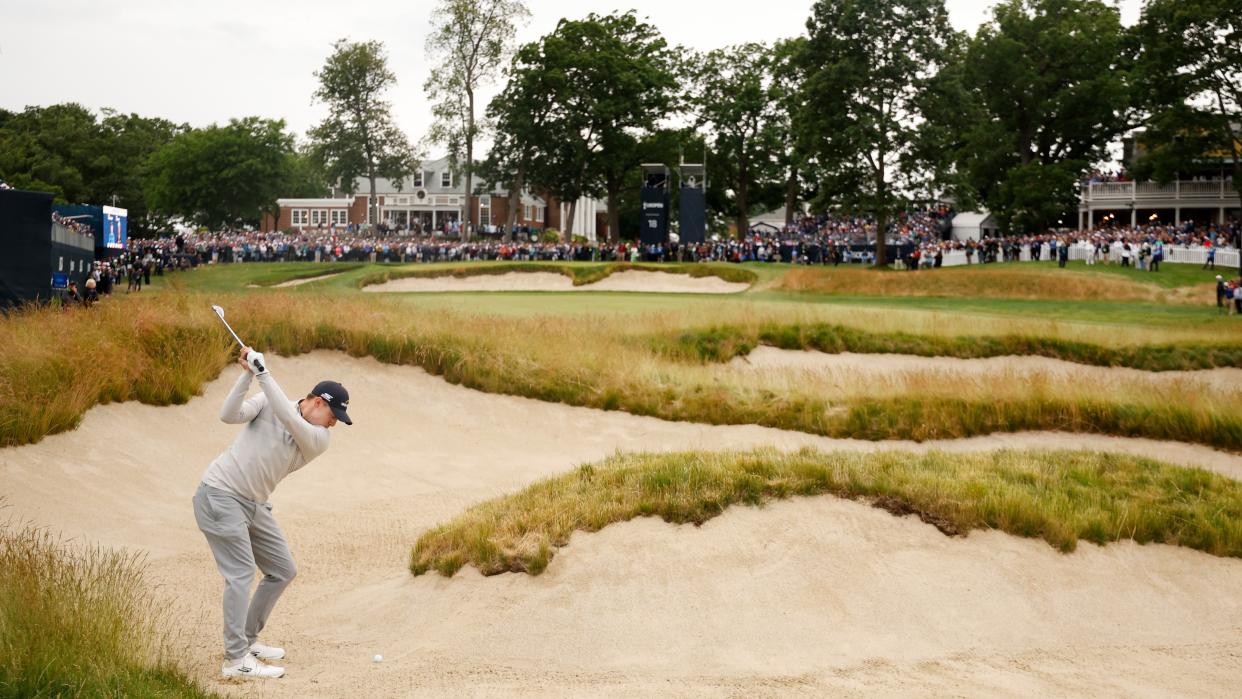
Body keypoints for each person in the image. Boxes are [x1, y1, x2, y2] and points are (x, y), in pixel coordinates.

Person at [192, 347, 352, 679]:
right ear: (318, 403)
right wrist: (247, 375)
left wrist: (263, 374)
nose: (334, 424)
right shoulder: (268, 401)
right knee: (240, 573)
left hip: (252, 503)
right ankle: (235, 661)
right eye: (334, 416)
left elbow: (290, 418)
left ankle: (248, 641)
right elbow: (229, 415)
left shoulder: (318, 438)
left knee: (282, 569)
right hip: (220, 494)